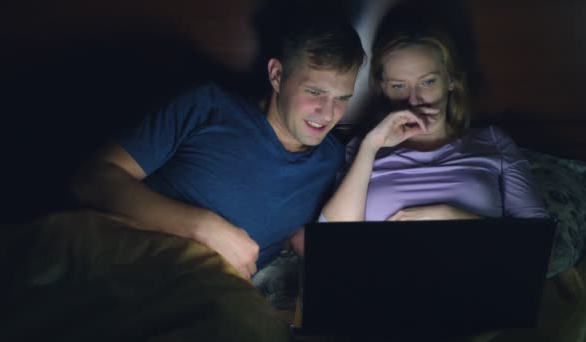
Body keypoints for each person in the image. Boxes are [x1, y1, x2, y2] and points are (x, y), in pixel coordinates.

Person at [70, 15, 366, 280]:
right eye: (315, 92)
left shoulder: (332, 160)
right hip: (117, 262)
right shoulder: (207, 107)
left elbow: (325, 239)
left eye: (342, 98)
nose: (328, 113)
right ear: (277, 75)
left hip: (206, 299)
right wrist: (203, 226)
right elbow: (91, 179)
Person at [320, 28, 548, 224]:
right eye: (399, 86)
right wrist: (371, 146)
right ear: (383, 88)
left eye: (428, 82)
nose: (415, 100)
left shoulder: (493, 142)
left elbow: (537, 240)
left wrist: (450, 215)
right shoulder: (363, 148)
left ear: (451, 80)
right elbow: (334, 238)